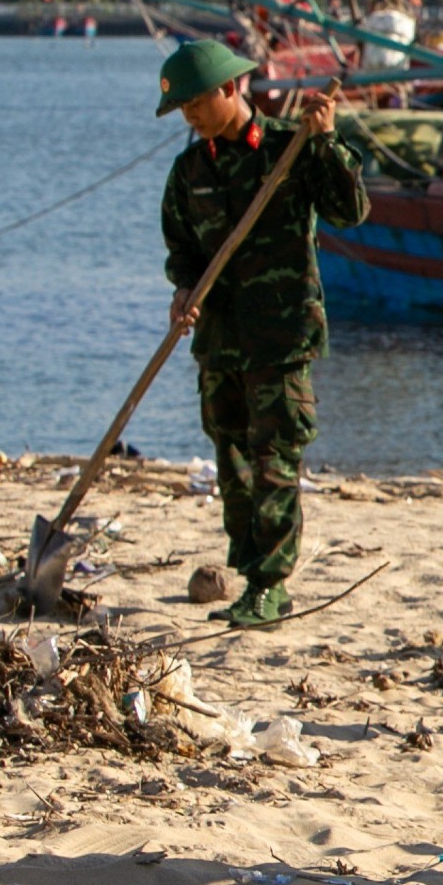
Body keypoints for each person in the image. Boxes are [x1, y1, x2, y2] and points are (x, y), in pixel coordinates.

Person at [156, 38, 368, 627]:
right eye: (183, 111)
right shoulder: (190, 169)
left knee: (274, 457)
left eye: (197, 104)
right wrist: (183, 291)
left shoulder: (289, 148)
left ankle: (271, 584)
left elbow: (351, 209)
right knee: (231, 460)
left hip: (281, 335)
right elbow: (182, 248)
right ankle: (248, 570)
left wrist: (326, 141)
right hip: (220, 338)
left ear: (230, 89)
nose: (192, 118)